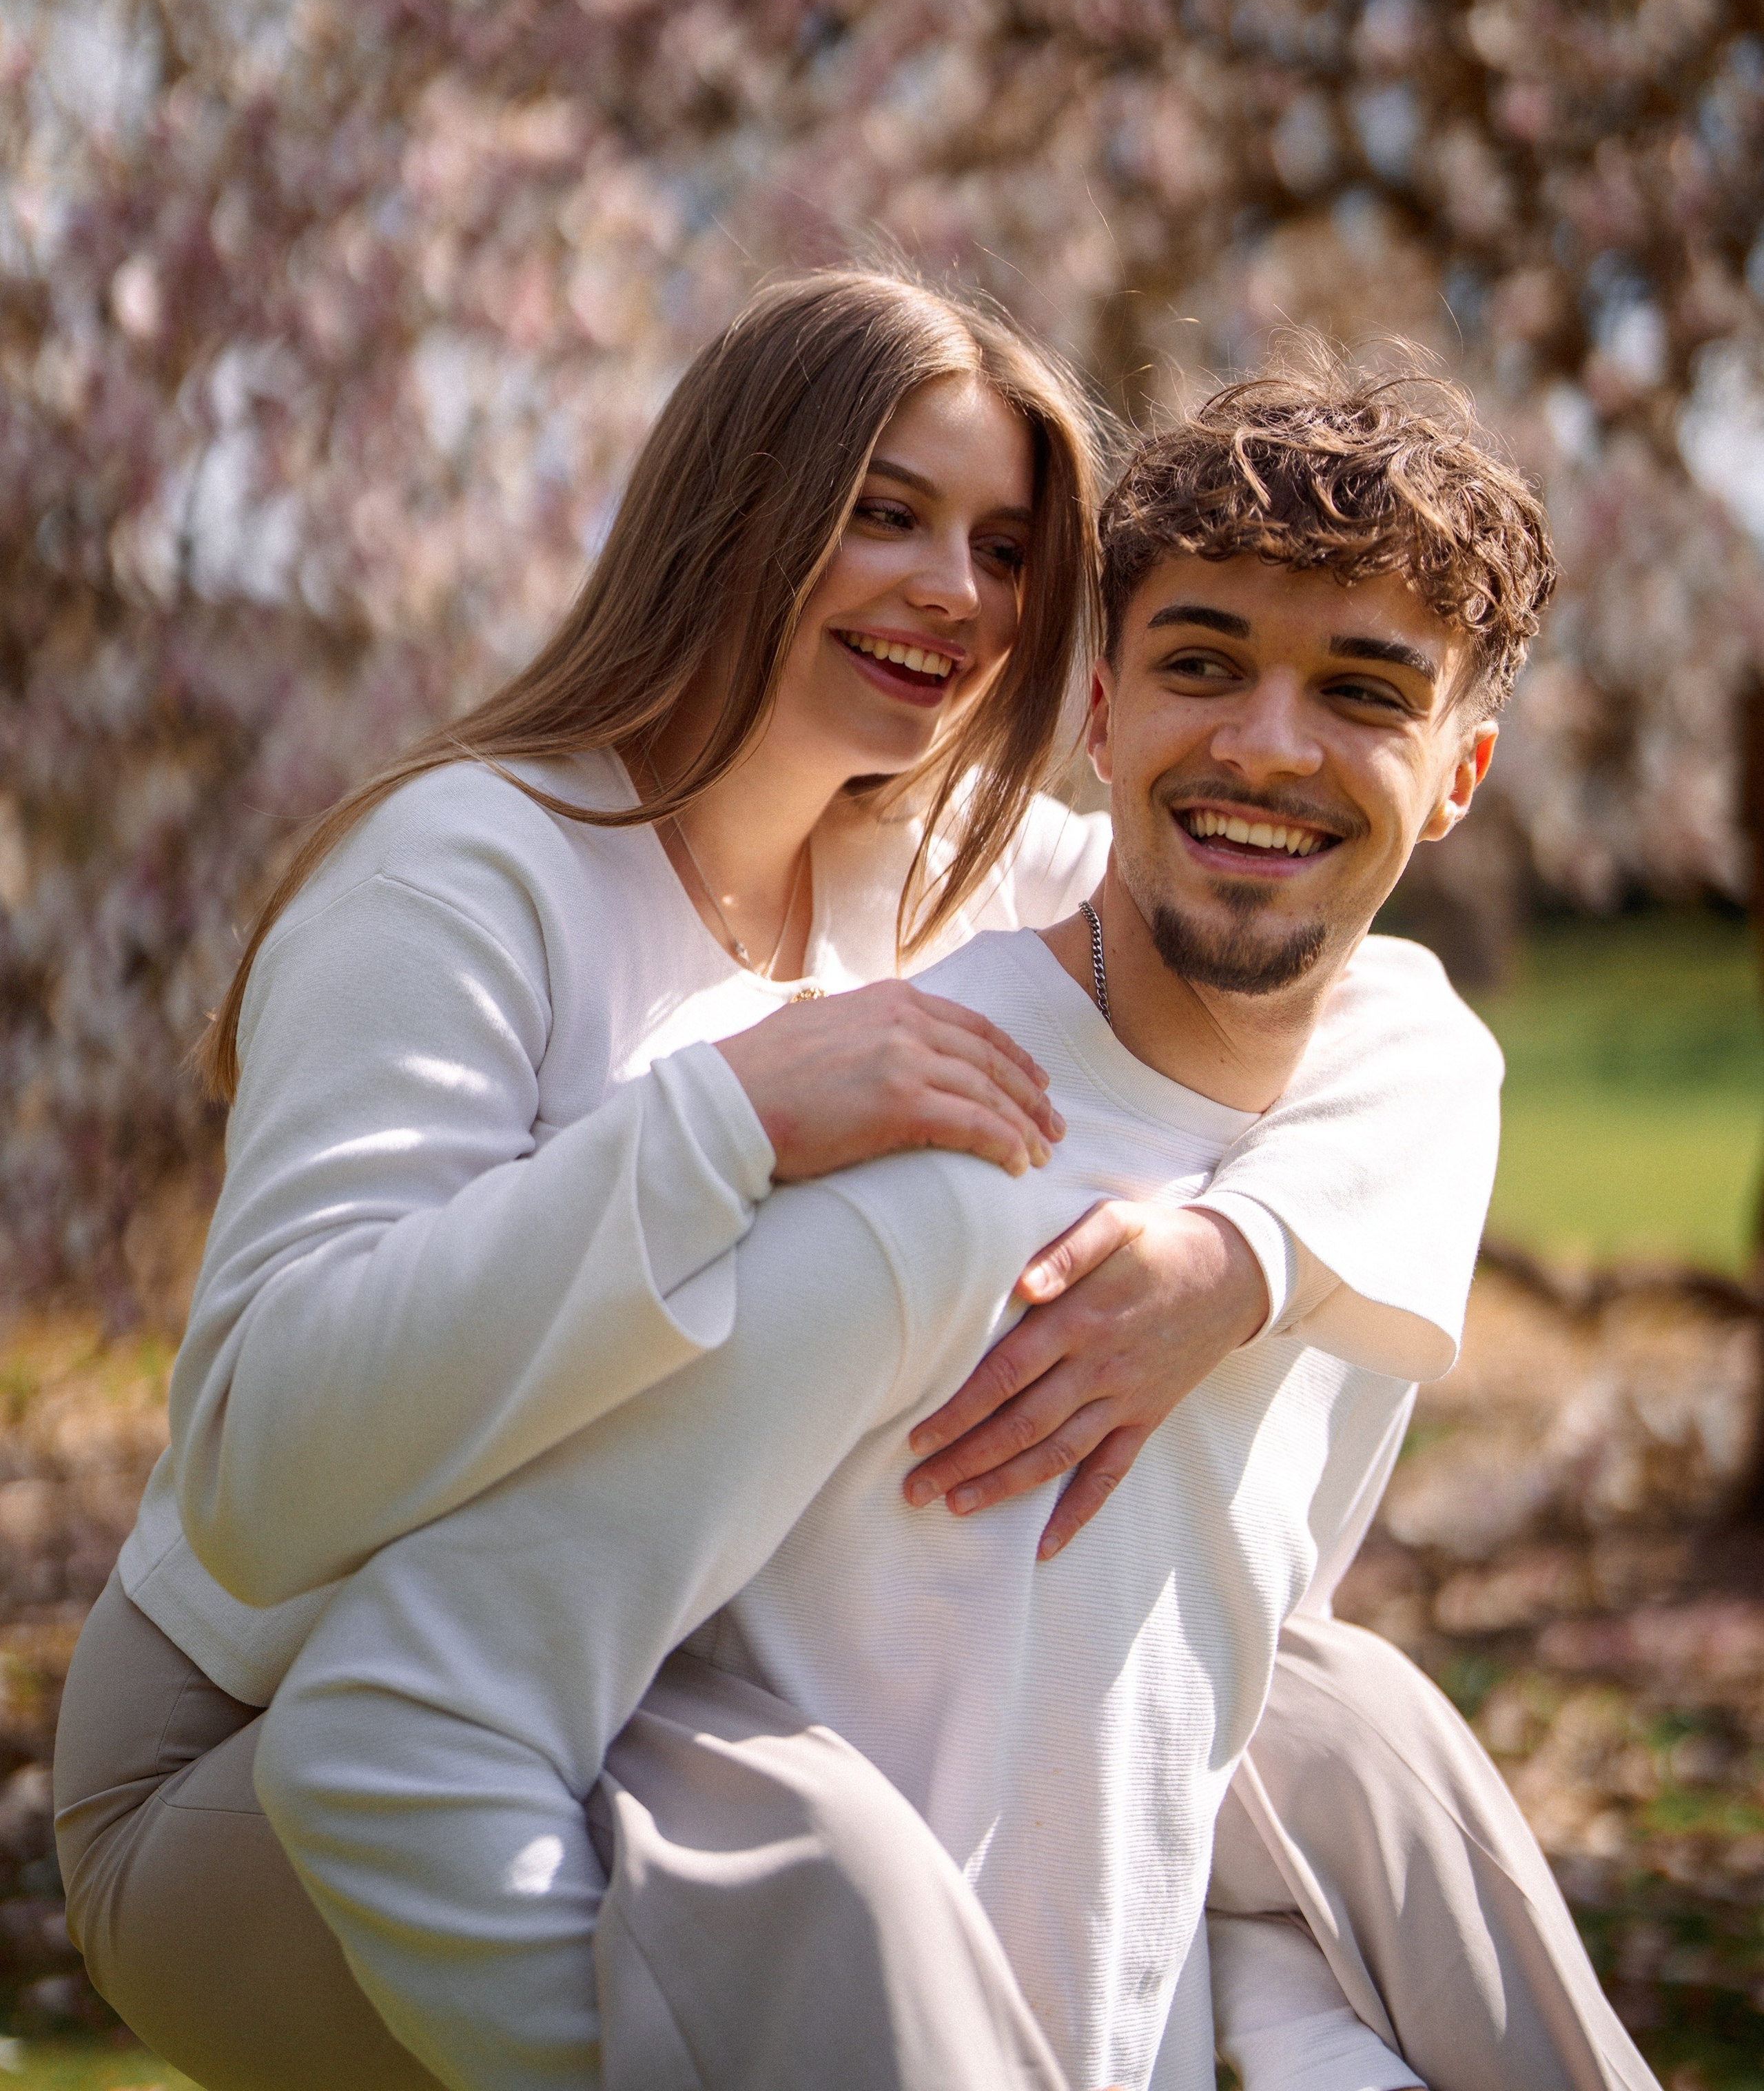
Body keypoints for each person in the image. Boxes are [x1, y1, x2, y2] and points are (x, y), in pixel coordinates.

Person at [48, 281, 1582, 2087]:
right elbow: (253, 1472)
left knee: (1343, 1735)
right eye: (885, 510)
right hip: (269, 1716)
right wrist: (718, 1125)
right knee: (843, 1891)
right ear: (735, 514)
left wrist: (1235, 1256)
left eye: (1011, 546)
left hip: (663, 1646)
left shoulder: (935, 859)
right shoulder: (466, 874)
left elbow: (1350, 984)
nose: (959, 590)